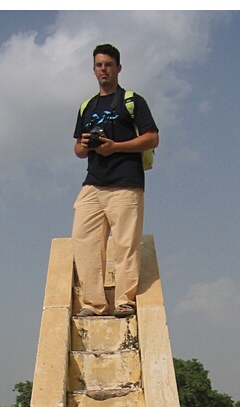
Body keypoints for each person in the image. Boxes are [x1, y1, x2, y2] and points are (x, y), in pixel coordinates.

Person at [72, 43, 158, 318]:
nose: (103, 70)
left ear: (118, 68)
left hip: (125, 182)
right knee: (84, 243)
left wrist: (116, 146)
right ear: (93, 69)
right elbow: (77, 149)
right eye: (99, 65)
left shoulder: (132, 101)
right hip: (93, 183)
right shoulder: (87, 106)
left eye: (108, 64)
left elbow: (152, 137)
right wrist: (86, 145)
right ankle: (93, 304)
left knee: (125, 244)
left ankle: (124, 300)